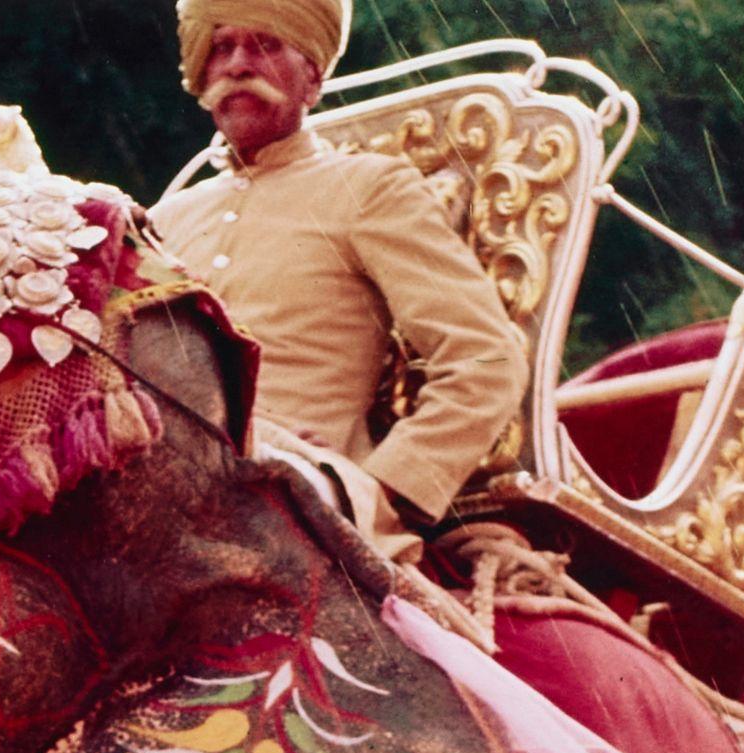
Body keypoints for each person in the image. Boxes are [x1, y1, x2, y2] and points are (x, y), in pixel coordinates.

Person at [150, 0, 531, 554]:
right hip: (151, 484)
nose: (237, 65)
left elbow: (487, 360)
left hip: (296, 503)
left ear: (313, 77)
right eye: (223, 47)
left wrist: (374, 492)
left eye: (265, 45)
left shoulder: (369, 188)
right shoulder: (165, 218)